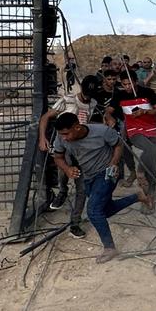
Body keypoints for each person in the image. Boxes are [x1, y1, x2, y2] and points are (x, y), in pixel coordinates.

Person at [50, 113, 153, 263]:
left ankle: (110, 248)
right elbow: (58, 157)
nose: (63, 138)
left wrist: (114, 162)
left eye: (66, 133)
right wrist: (67, 169)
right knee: (105, 210)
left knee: (93, 210)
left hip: (107, 174)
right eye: (61, 135)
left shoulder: (102, 131)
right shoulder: (61, 138)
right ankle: (138, 197)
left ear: (77, 127)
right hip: (89, 176)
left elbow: (118, 145)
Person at [36, 74, 101, 237]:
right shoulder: (67, 100)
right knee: (63, 171)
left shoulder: (93, 103)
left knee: (82, 187)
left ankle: (75, 222)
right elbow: (46, 117)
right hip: (62, 144)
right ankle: (63, 191)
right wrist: (42, 137)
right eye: (85, 92)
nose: (87, 97)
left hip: (80, 147)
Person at [109, 72, 156, 211]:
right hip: (134, 130)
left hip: (152, 130)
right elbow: (109, 110)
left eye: (130, 83)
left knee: (151, 163)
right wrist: (109, 116)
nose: (128, 87)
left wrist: (145, 112)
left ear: (136, 82)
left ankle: (150, 193)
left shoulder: (148, 92)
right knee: (150, 152)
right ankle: (140, 172)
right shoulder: (119, 95)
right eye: (124, 84)